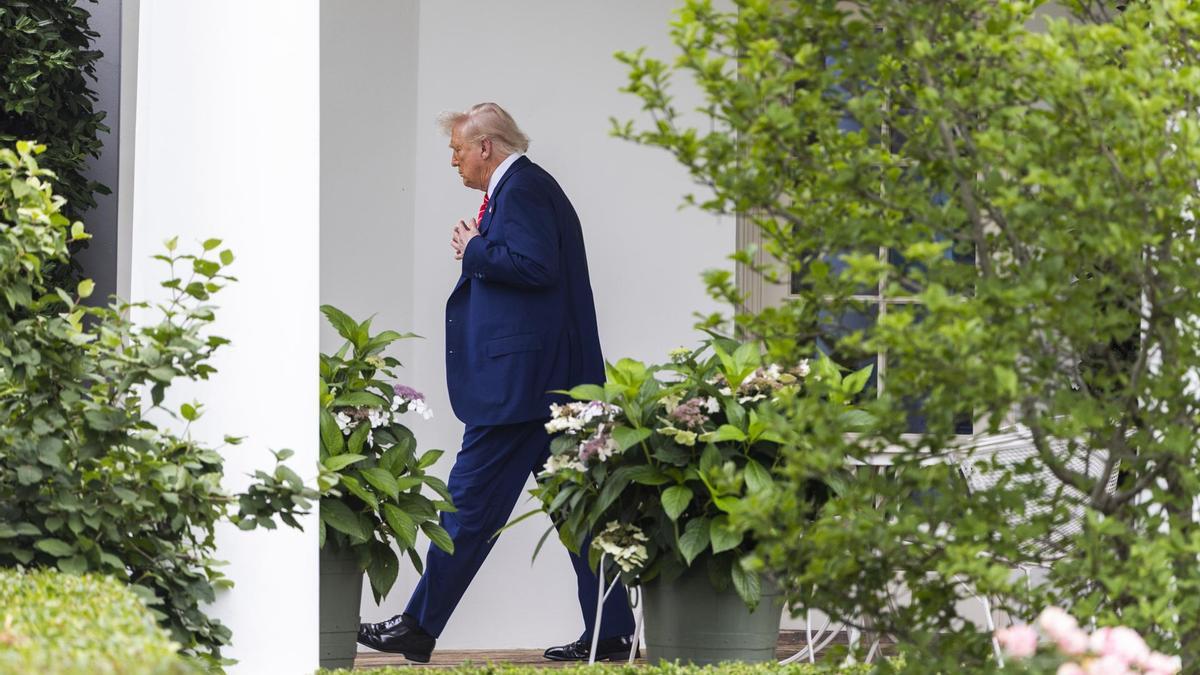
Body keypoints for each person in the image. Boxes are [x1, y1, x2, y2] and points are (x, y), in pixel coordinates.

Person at [356, 102, 635, 663]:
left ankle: (417, 626)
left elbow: (536, 267)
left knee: (468, 506)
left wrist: (473, 249)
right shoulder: (523, 190)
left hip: (524, 390)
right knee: (575, 510)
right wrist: (483, 244)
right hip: (546, 387)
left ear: (486, 146)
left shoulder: (524, 189)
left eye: (458, 149)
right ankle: (612, 631)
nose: (454, 161)